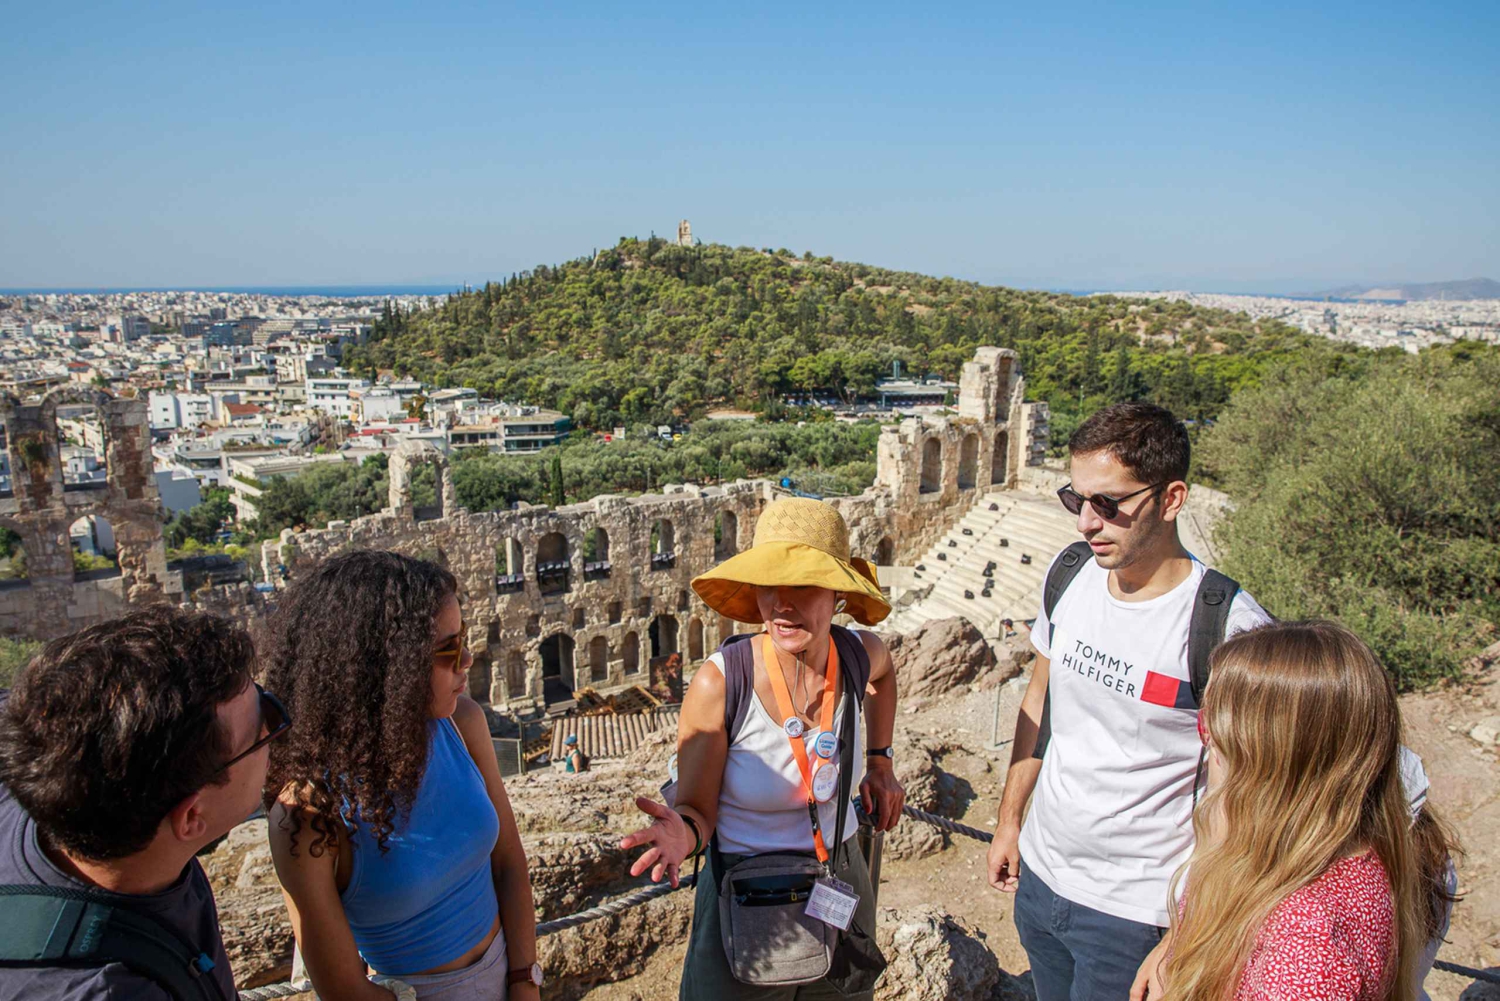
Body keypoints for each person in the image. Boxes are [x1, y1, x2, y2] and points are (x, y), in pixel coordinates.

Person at [986, 402, 1275, 1000]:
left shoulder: (1228, 630)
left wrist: (1184, 933)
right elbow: (1039, 706)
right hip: (1042, 876)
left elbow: (1246, 798)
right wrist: (1010, 822)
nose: (1085, 524)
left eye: (1108, 505)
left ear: (1171, 499)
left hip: (1140, 912)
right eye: (1077, 500)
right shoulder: (1069, 576)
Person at [621, 497, 905, 1000]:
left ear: (838, 594)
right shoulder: (722, 682)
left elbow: (885, 675)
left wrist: (880, 761)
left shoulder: (859, 656)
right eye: (770, 585)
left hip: (838, 876)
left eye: (802, 585)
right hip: (745, 892)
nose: (782, 603)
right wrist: (684, 836)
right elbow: (696, 808)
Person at [264, 551, 540, 1001]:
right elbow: (344, 990)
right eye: (448, 649)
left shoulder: (463, 723)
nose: (467, 659)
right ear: (387, 666)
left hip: (506, 973)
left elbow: (509, 862)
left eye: (463, 639)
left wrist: (525, 982)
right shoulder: (308, 812)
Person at [1128, 621, 1441, 1000]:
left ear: (1268, 759)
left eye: (1211, 724)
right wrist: (1172, 950)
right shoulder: (1283, 848)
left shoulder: (1308, 951)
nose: (1205, 739)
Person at [0, 605, 278, 1000]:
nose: (273, 728)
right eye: (262, 727)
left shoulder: (47, 754)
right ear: (192, 816)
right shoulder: (107, 989)